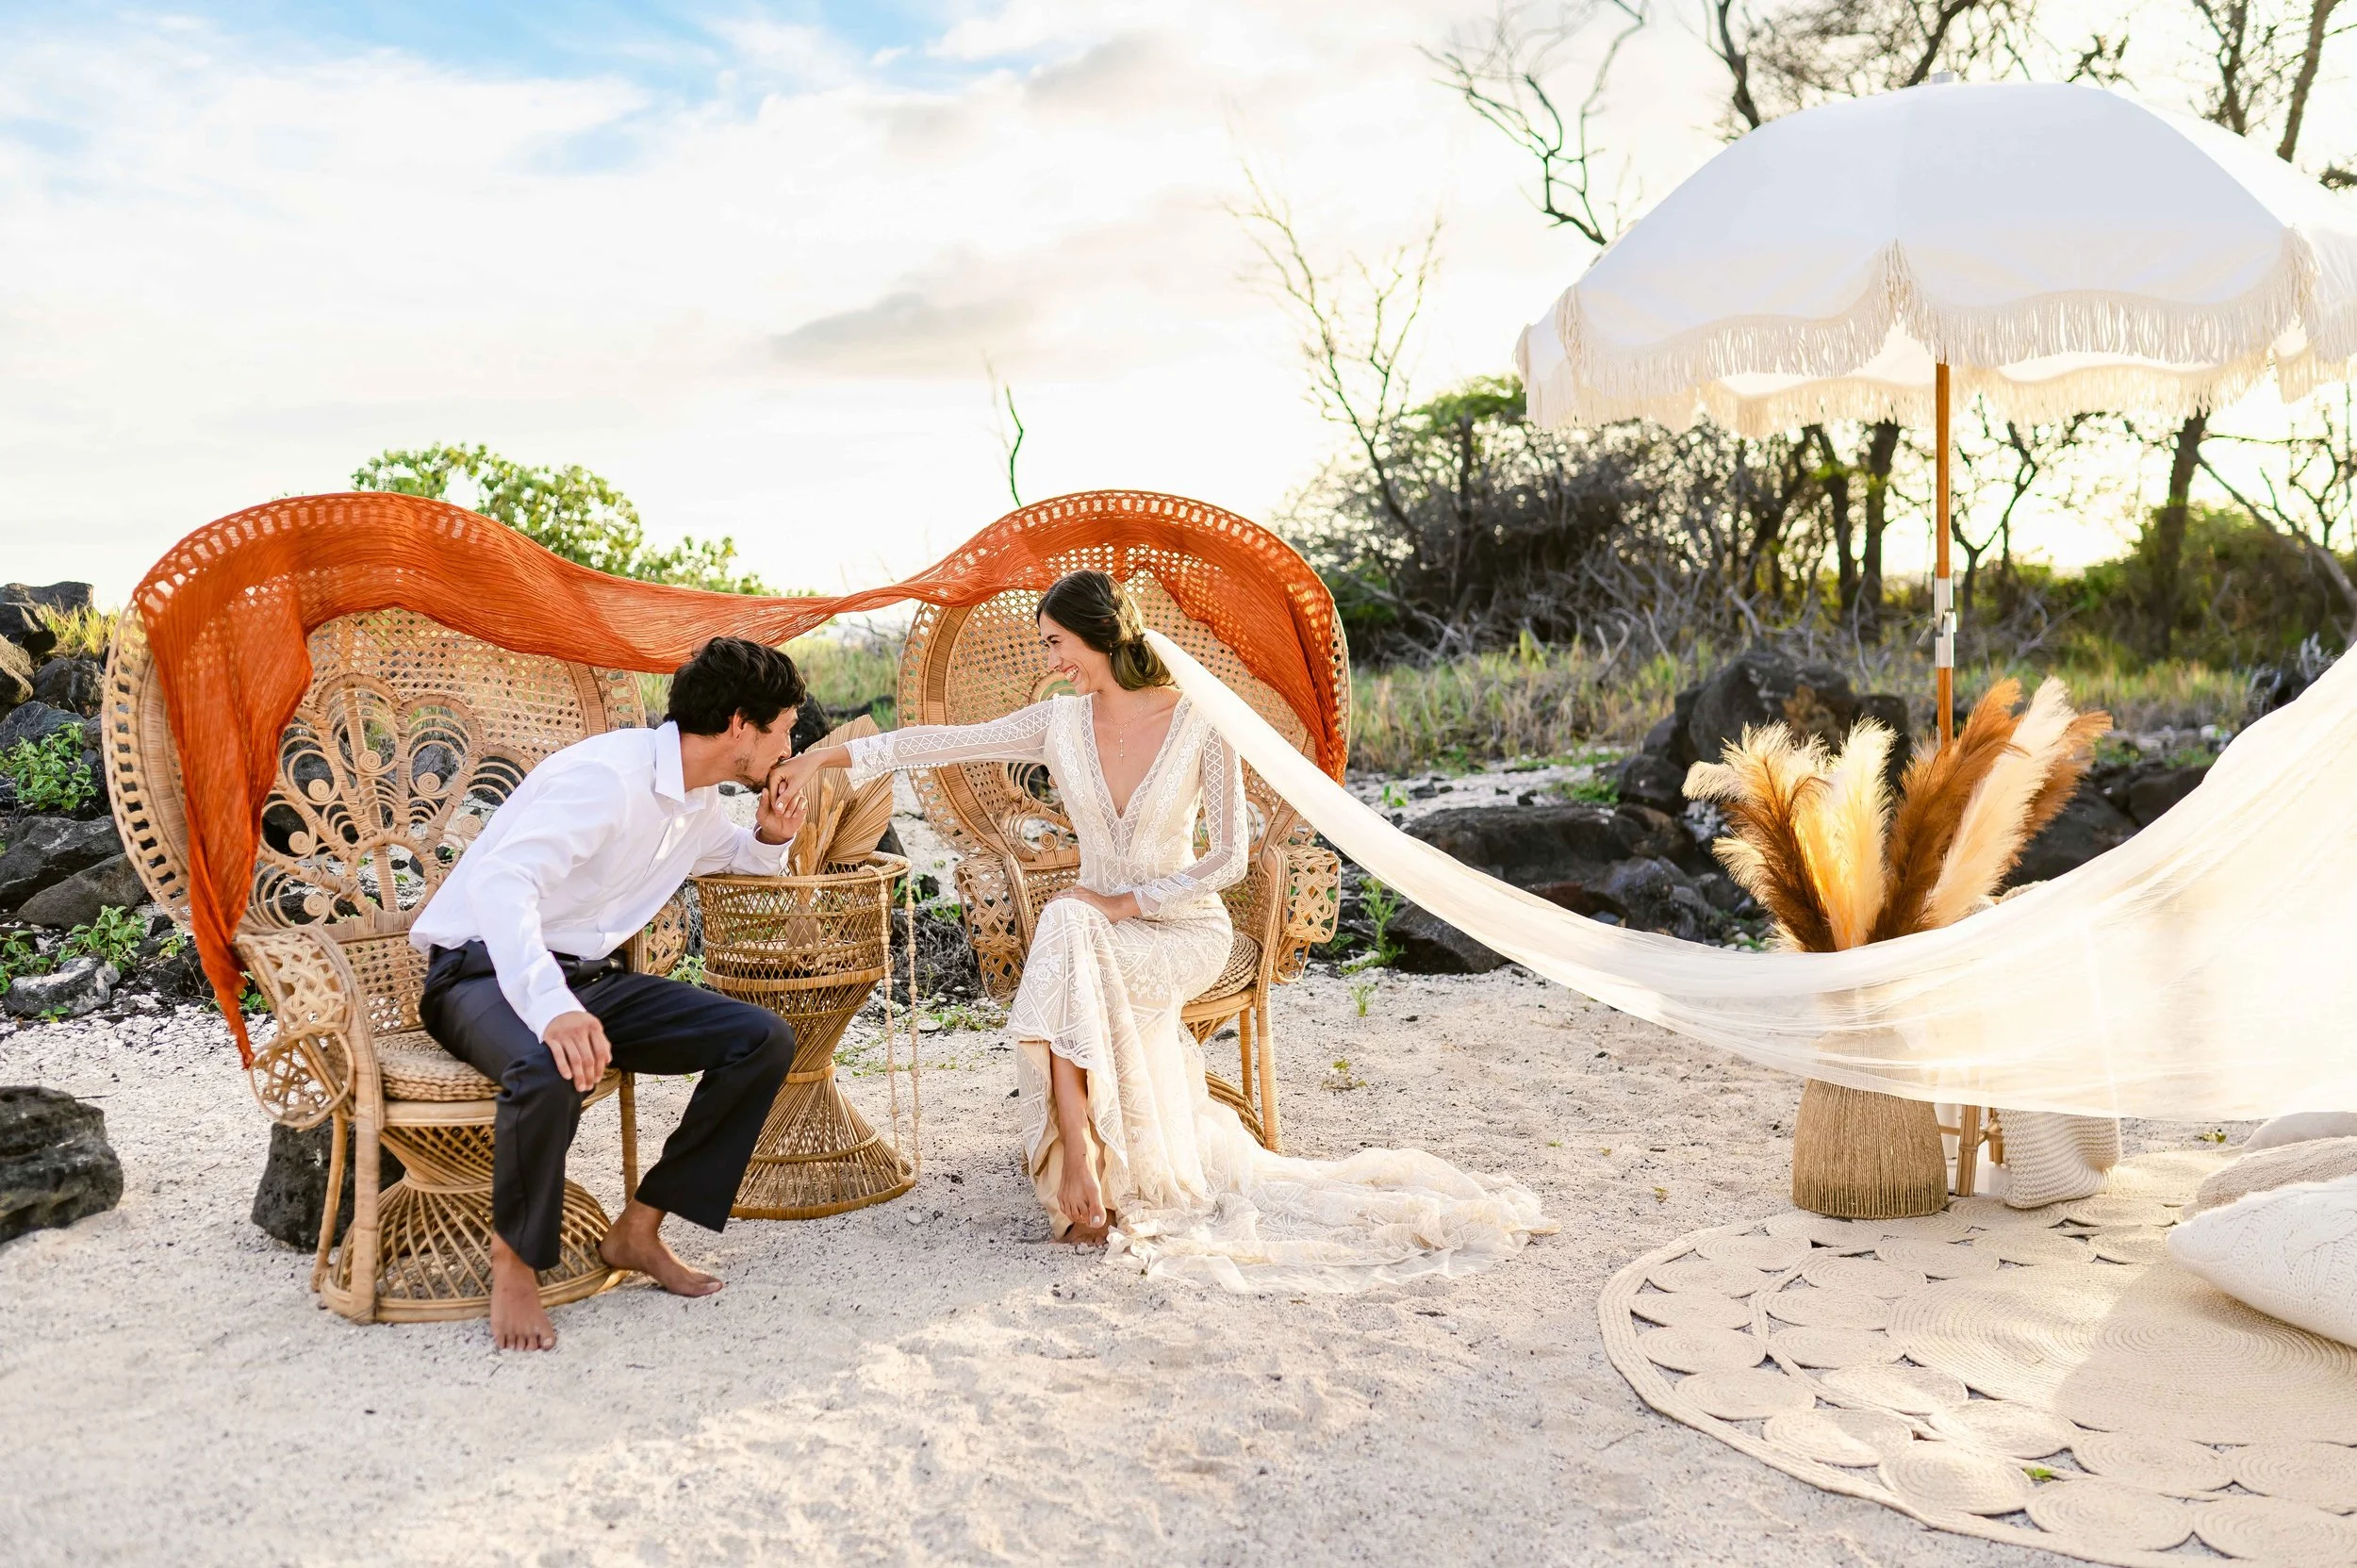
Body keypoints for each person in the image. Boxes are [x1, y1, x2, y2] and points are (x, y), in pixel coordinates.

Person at [774, 571, 1548, 1292]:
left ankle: (1079, 1172)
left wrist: (1129, 903)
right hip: (1094, 934)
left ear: (1101, 636)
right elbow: (937, 742)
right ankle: (1086, 1166)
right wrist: (819, 759)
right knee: (1072, 930)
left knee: (1073, 925)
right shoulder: (1058, 723)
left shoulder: (1195, 721)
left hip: (1182, 929)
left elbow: (1228, 857)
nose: (1050, 660)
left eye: (1056, 643)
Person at [410, 636, 811, 1350]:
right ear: (741, 725)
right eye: (783, 727)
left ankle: (640, 1226)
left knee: (760, 1039)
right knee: (548, 1064)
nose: (790, 743)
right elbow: (503, 886)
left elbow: (732, 857)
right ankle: (514, 1261)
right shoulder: (607, 778)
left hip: (589, 978)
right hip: (479, 970)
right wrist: (553, 1008)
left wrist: (771, 839)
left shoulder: (698, 798)